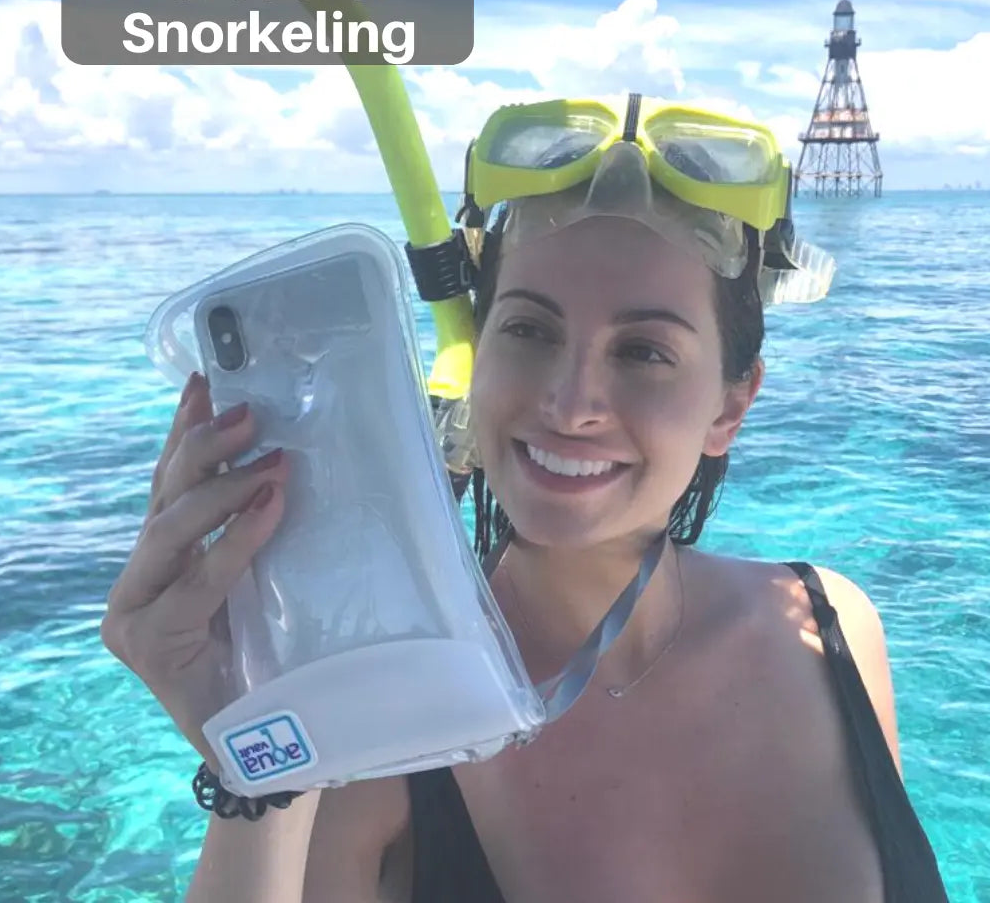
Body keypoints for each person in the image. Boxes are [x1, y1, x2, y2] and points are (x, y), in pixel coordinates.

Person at [101, 94, 950, 902]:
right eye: (530, 331)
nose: (570, 402)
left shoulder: (834, 626)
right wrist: (259, 753)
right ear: (476, 361)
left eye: (645, 351)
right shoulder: (381, 735)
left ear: (731, 405)